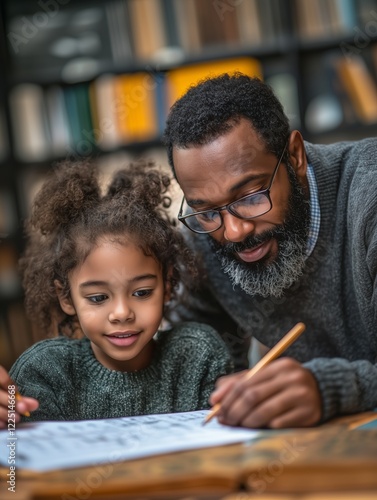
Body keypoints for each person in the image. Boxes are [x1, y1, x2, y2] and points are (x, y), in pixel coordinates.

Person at [162, 72, 377, 429]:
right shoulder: (203, 232)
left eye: (250, 197)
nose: (233, 231)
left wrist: (329, 389)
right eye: (210, 210)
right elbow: (190, 369)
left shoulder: (368, 196)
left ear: (295, 156)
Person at [0, 160, 232, 426]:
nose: (122, 313)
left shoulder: (197, 356)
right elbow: (20, 459)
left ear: (167, 286)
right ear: (66, 297)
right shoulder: (45, 372)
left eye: (142, 292)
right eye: (98, 298)